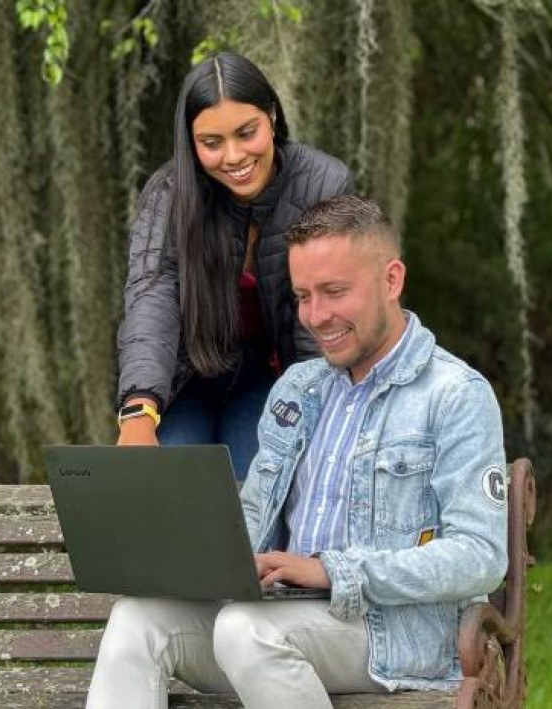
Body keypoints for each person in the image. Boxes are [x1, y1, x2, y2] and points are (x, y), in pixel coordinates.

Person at [87, 195, 509, 709]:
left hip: (395, 638)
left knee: (247, 631)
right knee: (137, 620)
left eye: (335, 292)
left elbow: (481, 557)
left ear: (391, 280)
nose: (316, 316)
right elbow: (256, 515)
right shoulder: (297, 390)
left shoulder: (455, 393)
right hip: (279, 615)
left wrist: (333, 570)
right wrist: (196, 553)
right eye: (303, 296)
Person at [116, 53, 355, 481]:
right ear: (191, 142)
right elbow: (152, 297)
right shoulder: (168, 195)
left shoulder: (323, 183)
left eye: (247, 133)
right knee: (163, 489)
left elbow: (322, 312)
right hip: (187, 381)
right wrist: (138, 408)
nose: (233, 156)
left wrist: (316, 414)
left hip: (270, 381)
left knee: (261, 496)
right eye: (211, 143)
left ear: (271, 116)